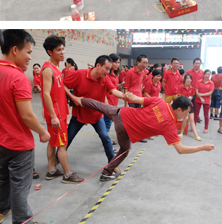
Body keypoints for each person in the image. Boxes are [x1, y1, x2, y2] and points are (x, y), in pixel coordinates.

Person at [70, 92, 214, 181]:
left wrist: (129, 95)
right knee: (124, 150)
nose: (186, 116)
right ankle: (107, 172)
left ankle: (76, 100)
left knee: (99, 105)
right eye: (186, 112)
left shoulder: (159, 101)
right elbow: (180, 150)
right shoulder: (170, 126)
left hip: (120, 113)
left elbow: (135, 98)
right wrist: (202, 147)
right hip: (124, 131)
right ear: (179, 109)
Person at [0, 30, 51, 224]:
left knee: (2, 180)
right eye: (28, 52)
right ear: (15, 50)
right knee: (19, 188)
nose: (30, 57)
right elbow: (27, 115)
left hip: (1, 141)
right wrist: (43, 131)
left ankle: (2, 210)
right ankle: (22, 221)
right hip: (18, 144)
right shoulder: (18, 77)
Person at [63, 55, 128, 178]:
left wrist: (125, 96)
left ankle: (112, 164)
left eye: (109, 69)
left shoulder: (105, 79)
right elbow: (63, 84)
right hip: (79, 114)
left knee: (105, 137)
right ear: (98, 65)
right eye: (106, 68)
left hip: (97, 115)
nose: (108, 72)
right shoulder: (80, 74)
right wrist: (73, 97)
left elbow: (113, 91)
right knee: (68, 138)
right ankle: (58, 158)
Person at [39, 34, 83, 184]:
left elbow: (59, 88)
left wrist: (72, 97)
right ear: (50, 52)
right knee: (62, 145)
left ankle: (51, 171)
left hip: (60, 113)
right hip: (56, 115)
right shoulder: (47, 69)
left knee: (53, 142)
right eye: (58, 50)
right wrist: (53, 116)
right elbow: (45, 93)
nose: (62, 52)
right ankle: (67, 174)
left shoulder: (57, 68)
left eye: (63, 49)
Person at [177, 74, 201, 141]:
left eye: (190, 78)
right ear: (184, 79)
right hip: (183, 106)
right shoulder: (181, 87)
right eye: (187, 78)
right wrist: (186, 98)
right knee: (186, 117)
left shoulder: (192, 88)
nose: (189, 80)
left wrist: (188, 98)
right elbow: (179, 97)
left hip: (190, 105)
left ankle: (196, 135)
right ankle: (181, 132)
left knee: (192, 120)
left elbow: (191, 97)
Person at [194, 69, 214, 134]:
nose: (207, 76)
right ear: (203, 74)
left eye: (209, 74)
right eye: (206, 74)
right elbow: (196, 92)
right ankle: (193, 126)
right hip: (198, 100)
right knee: (196, 114)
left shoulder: (211, 83)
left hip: (207, 101)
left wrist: (201, 95)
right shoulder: (198, 82)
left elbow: (210, 93)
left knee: (206, 115)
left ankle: (206, 128)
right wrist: (200, 98)